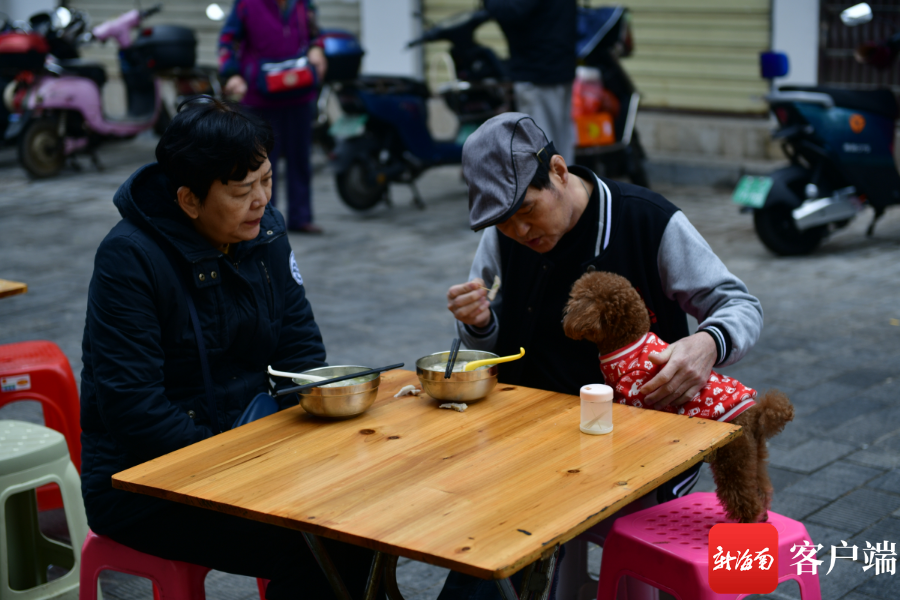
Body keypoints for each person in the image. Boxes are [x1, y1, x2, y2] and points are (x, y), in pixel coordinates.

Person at [440, 113, 763, 598]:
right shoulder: (503, 236)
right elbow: (486, 348)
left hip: (636, 443)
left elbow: (739, 304)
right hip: (530, 434)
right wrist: (479, 324)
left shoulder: (647, 220)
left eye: (527, 211)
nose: (520, 231)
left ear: (557, 170)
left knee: (510, 535)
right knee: (478, 539)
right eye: (504, 223)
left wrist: (707, 343)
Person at [79, 99, 380, 599]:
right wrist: (244, 462)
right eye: (243, 191)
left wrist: (313, 438)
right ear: (190, 200)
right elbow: (133, 408)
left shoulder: (266, 233)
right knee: (319, 545)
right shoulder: (129, 259)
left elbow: (300, 351)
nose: (262, 200)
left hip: (248, 451)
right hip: (143, 481)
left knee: (370, 512)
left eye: (265, 180)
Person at [217, 0, 327, 234]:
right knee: (261, 164)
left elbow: (315, 32)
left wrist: (317, 49)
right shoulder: (246, 4)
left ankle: (301, 217)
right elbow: (228, 41)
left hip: (299, 93)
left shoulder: (302, 4)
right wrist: (232, 74)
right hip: (259, 98)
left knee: (300, 159)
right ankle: (264, 221)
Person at [483, 0, 576, 164]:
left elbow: (510, 11)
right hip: (558, 67)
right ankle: (564, 186)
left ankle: (554, 187)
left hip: (539, 73)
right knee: (559, 144)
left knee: (542, 149)